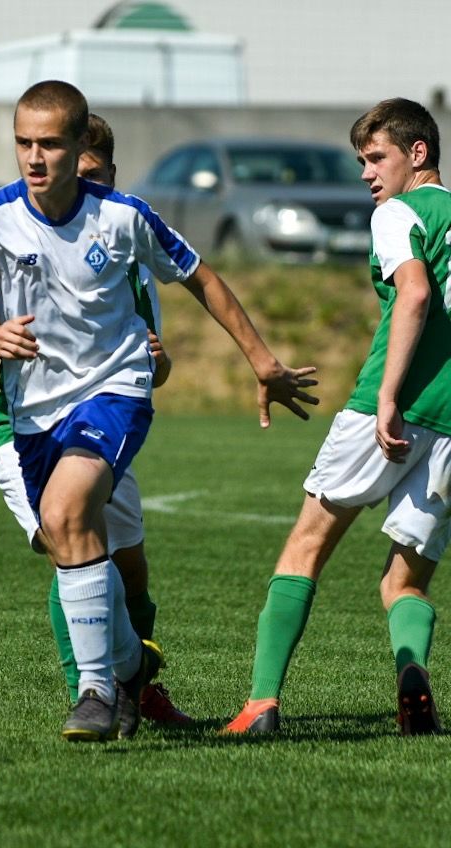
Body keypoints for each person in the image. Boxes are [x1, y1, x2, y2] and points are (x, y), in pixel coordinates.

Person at [0, 80, 317, 743]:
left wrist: (261, 359)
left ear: (81, 146)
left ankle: (93, 693)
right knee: (70, 535)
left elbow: (201, 276)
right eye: (23, 143)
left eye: (50, 143)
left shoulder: (123, 217)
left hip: (114, 393)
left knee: (67, 514)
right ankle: (132, 665)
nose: (34, 157)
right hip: (31, 416)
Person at [223, 97, 450, 737]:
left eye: (376, 157)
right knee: (404, 581)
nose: (366, 173)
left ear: (418, 153)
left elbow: (414, 292)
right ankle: (414, 683)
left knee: (305, 549)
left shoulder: (396, 213)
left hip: (390, 409)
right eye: (360, 160)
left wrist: (386, 397)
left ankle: (261, 704)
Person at [0, 113, 190, 725]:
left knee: (130, 561)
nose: (79, 188)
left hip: (98, 420)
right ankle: (94, 690)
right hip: (23, 431)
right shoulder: (21, 234)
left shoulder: (128, 249)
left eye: (92, 175)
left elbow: (151, 359)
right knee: (66, 538)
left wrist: (161, 361)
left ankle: (135, 684)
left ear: (109, 174)